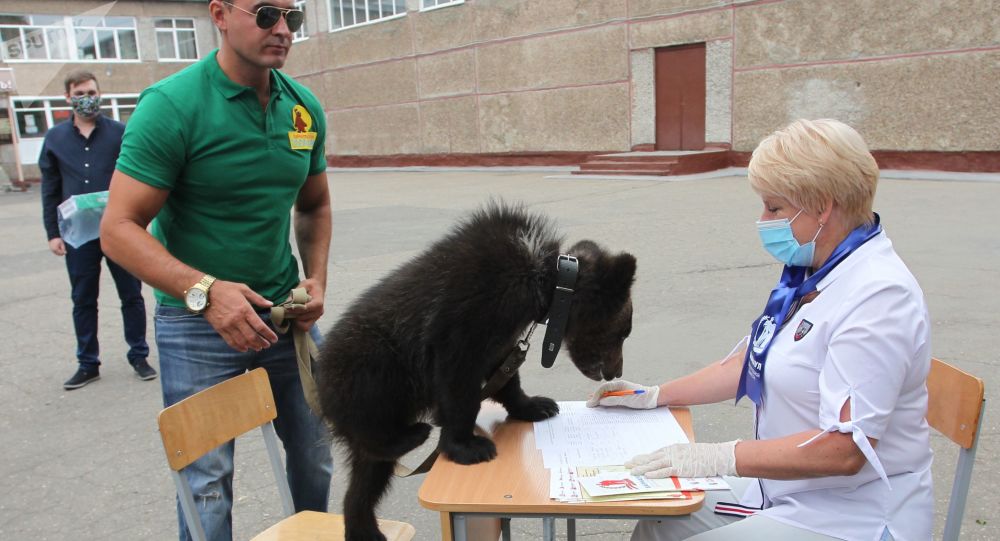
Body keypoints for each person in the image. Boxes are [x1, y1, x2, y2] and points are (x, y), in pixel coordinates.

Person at [588, 119, 932, 541]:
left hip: (852, 516)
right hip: (790, 492)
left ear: (822, 207)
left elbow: (846, 449)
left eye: (774, 208)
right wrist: (655, 395)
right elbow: (749, 364)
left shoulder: (879, 297)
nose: (763, 219)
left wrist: (718, 456)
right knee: (658, 520)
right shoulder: (811, 276)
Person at [99, 1, 331, 539]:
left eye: (292, 19)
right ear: (220, 15)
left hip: (284, 317)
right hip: (195, 323)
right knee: (205, 484)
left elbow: (314, 205)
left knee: (316, 457)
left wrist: (315, 279)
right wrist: (203, 290)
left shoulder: (304, 108)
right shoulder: (173, 105)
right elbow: (118, 228)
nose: (281, 30)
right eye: (267, 13)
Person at [39, 70, 154, 390]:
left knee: (131, 295)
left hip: (119, 229)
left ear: (99, 93)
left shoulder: (120, 133)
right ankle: (88, 363)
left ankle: (139, 356)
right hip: (78, 235)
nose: (86, 98)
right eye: (79, 94)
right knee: (83, 298)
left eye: (91, 92)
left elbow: (139, 179)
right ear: (68, 98)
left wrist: (142, 222)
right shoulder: (55, 139)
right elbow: (50, 188)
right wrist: (53, 232)